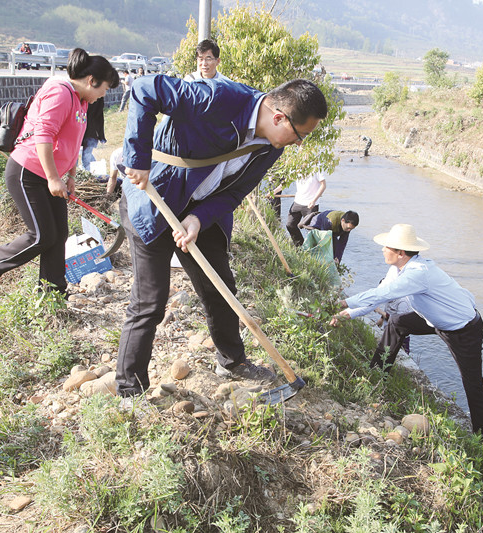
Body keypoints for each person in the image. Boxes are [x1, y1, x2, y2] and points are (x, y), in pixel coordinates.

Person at [116, 76, 327, 405]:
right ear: (279, 117)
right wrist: (138, 159)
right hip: (155, 197)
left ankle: (232, 361)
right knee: (149, 302)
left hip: (201, 209)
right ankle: (130, 391)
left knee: (221, 289)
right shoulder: (219, 98)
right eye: (300, 135)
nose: (298, 144)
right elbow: (145, 90)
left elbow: (234, 193)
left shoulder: (271, 146)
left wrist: (198, 219)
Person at [331, 224, 483, 446]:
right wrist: (346, 314)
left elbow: (382, 292)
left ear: (400, 252)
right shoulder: (397, 269)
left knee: (473, 385)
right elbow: (378, 299)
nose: (381, 250)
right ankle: (377, 376)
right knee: (397, 322)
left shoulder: (419, 273)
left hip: (463, 329)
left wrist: (344, 301)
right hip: (434, 319)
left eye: (386, 247)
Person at [0, 49, 119, 295]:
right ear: (91, 80)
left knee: (58, 236)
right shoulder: (60, 92)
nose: (103, 94)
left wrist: (71, 176)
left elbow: (74, 142)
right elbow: (43, 136)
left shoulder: (81, 101)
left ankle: (53, 294)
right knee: (41, 235)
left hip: (51, 175)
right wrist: (54, 178)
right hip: (28, 172)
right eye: (104, 88)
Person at [285, 171, 327, 246]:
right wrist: (273, 192)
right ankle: (300, 246)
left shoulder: (317, 167)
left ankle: (313, 251)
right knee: (290, 225)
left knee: (311, 230)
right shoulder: (296, 166)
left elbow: (323, 185)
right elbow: (287, 181)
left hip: (310, 204)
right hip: (297, 202)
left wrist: (314, 200)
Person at [80, 97, 106, 171]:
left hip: (90, 132)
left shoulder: (99, 97)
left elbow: (99, 116)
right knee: (75, 158)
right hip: (79, 130)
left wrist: (101, 135)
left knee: (86, 158)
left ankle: (92, 173)